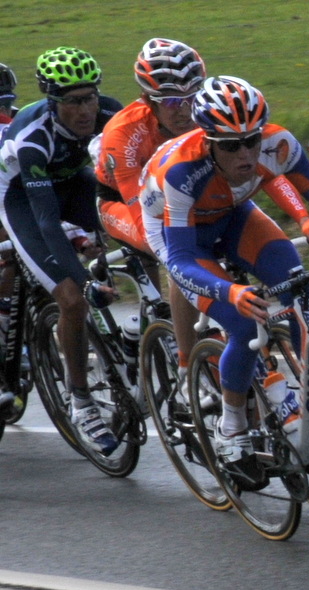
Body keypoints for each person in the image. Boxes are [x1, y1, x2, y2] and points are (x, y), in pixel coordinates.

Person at [139, 76, 309, 471]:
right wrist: (231, 292)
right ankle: (231, 427)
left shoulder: (279, 145)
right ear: (207, 141)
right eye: (230, 145)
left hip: (232, 212)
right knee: (241, 324)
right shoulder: (181, 172)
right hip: (181, 234)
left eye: (251, 140)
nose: (245, 153)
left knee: (296, 287)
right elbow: (183, 261)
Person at [0, 47, 122, 454]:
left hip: (71, 179)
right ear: (52, 102)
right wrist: (84, 279)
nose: (84, 109)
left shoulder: (109, 113)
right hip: (22, 197)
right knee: (71, 298)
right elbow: (48, 222)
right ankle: (81, 400)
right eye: (72, 102)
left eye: (89, 97)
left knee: (131, 226)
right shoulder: (33, 137)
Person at [93, 38, 207, 384]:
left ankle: (139, 329)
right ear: (147, 99)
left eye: (193, 97)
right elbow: (142, 215)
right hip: (121, 202)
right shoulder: (124, 133)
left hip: (175, 196)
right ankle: (176, 350)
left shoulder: (206, 114)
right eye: (172, 101)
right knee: (175, 255)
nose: (185, 110)